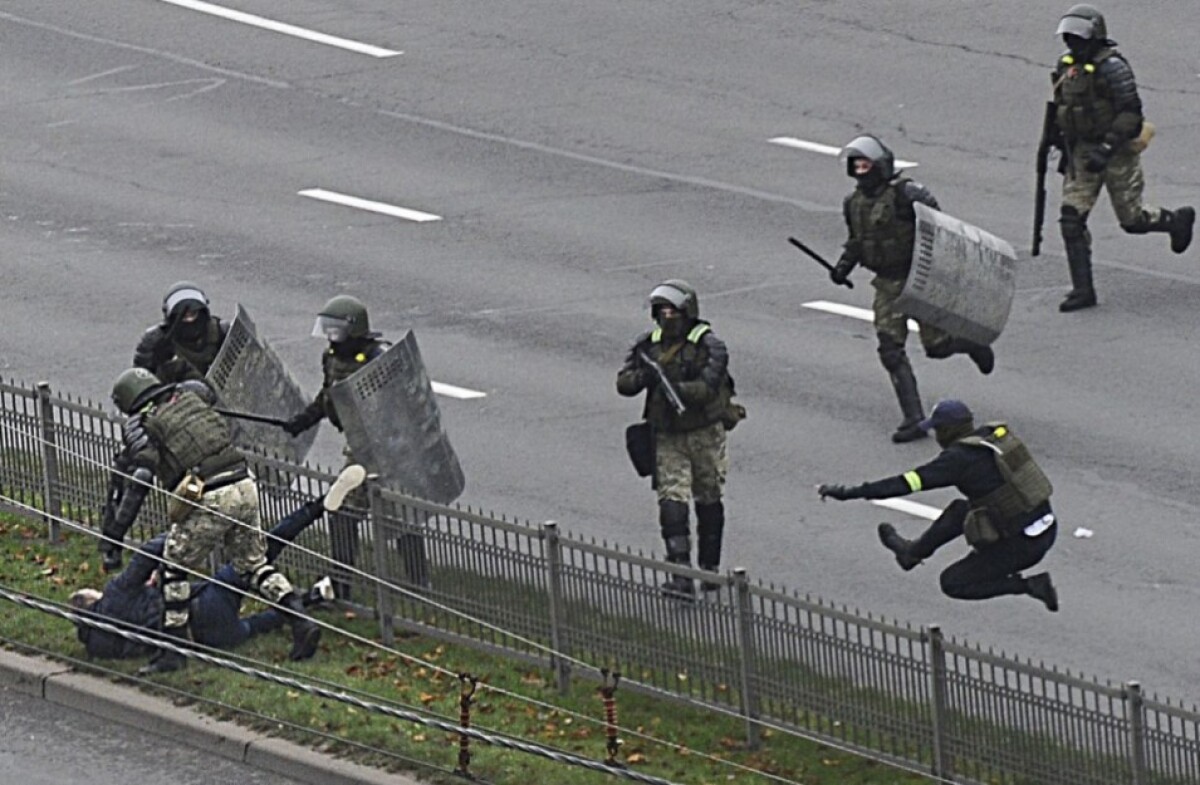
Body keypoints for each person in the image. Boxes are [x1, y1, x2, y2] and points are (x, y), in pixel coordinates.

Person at [107, 367, 319, 674]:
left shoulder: (146, 424)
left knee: (172, 570)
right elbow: (206, 390)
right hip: (244, 483)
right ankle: (301, 621)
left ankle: (172, 651)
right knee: (253, 564)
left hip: (211, 494)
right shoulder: (189, 397)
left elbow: (141, 477)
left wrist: (115, 532)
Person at [71, 464, 365, 660]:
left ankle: (314, 597)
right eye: (92, 592)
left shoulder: (101, 647)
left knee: (256, 625)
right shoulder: (114, 594)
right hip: (205, 605)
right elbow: (148, 553)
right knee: (260, 551)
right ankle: (318, 507)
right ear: (90, 601)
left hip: (208, 640)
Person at [817, 399, 1059, 612]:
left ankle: (1029, 586)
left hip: (1024, 545)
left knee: (953, 583)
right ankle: (911, 553)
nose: (936, 437)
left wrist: (850, 493)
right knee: (960, 510)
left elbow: (905, 483)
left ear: (948, 430)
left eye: (937, 430)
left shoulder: (958, 459)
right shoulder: (990, 437)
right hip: (1044, 526)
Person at [829, 135, 996, 444]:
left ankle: (972, 344)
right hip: (887, 285)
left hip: (918, 278)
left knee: (937, 347)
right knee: (890, 350)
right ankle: (913, 418)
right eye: (856, 166)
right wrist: (842, 267)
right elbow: (857, 240)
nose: (861, 172)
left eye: (866, 165)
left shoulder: (907, 194)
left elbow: (940, 227)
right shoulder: (852, 203)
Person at [1047, 4, 1194, 312]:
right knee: (1071, 220)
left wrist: (1107, 147)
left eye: (1079, 37)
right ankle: (1082, 290)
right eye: (1069, 38)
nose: (1072, 44)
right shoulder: (1066, 67)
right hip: (1082, 154)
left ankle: (1176, 222)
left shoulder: (1113, 68)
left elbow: (1131, 114)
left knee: (1132, 220)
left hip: (1116, 153)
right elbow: (1061, 106)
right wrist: (1058, 142)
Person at [616, 280, 743, 597]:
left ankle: (709, 569)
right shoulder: (649, 345)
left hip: (705, 434)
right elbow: (624, 382)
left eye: (673, 310)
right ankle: (680, 572)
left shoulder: (709, 345)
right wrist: (649, 375)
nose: (668, 317)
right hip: (668, 436)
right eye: (663, 311)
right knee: (672, 499)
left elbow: (708, 388)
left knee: (709, 495)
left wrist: (675, 385)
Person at [281, 295, 391, 599]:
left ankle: (418, 582)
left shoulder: (375, 359)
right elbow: (329, 395)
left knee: (400, 514)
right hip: (358, 445)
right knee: (342, 512)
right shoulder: (332, 357)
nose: (331, 336)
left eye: (336, 330)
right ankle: (341, 582)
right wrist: (303, 420)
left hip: (384, 448)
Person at [133, 281, 230, 383]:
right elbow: (138, 383)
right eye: (184, 316)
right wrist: (156, 364)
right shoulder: (155, 341)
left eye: (193, 314)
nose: (190, 321)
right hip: (176, 395)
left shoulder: (221, 331)